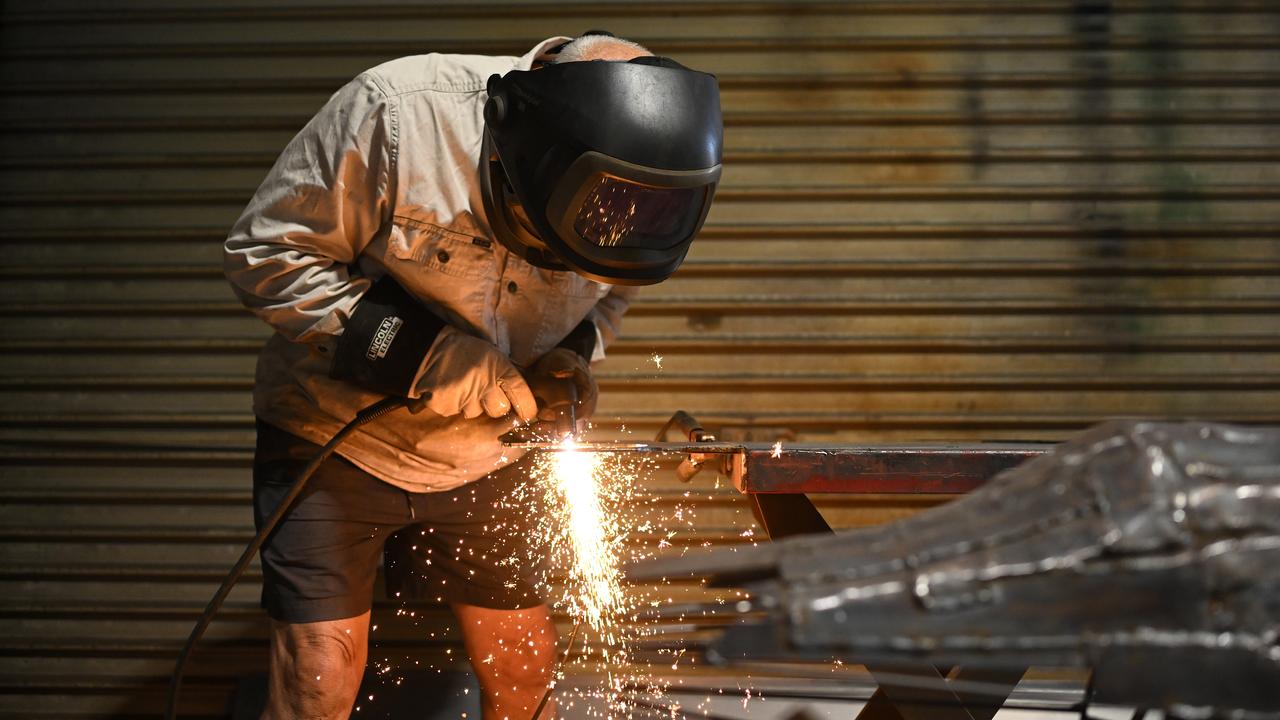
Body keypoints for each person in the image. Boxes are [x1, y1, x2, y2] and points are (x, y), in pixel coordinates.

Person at [223, 32, 722, 720]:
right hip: (334, 436)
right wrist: (421, 354)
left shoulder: (640, 196)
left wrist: (570, 357)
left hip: (492, 452)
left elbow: (613, 288)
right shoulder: (397, 115)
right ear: (524, 157)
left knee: (524, 668)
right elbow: (266, 256)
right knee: (319, 677)